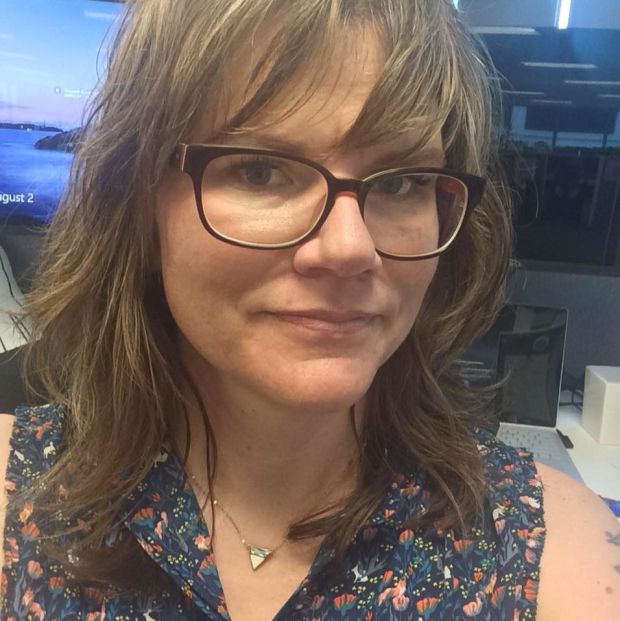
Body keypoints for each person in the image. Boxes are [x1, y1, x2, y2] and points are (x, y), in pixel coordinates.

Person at [0, 0, 618, 619]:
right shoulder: (19, 499)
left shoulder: (551, 553)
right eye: (261, 171)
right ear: (138, 206)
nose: (350, 248)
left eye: (402, 181)